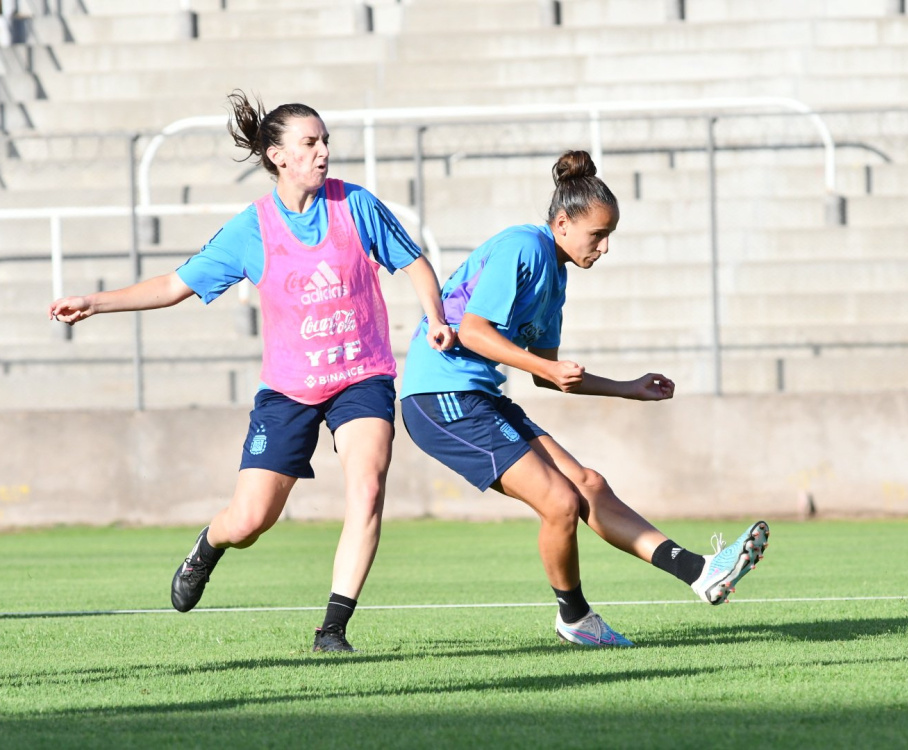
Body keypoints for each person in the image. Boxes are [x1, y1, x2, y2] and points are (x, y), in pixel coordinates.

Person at [49, 90, 456, 653]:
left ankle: (332, 629)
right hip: (289, 389)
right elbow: (173, 286)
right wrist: (96, 302)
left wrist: (435, 317)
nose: (322, 152)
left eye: (325, 142)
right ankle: (209, 546)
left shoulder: (356, 205)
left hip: (362, 376)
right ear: (278, 156)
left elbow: (413, 262)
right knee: (251, 519)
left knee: (367, 486)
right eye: (310, 143)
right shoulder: (252, 228)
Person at [399, 150, 769, 647]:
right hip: (439, 395)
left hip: (478, 396)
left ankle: (700, 572)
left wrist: (626, 389)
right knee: (559, 500)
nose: (605, 246)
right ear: (562, 223)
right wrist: (546, 366)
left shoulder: (557, 276)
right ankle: (574, 617)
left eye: (609, 234)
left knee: (588, 483)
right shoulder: (524, 246)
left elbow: (547, 376)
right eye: (598, 234)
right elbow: (473, 331)